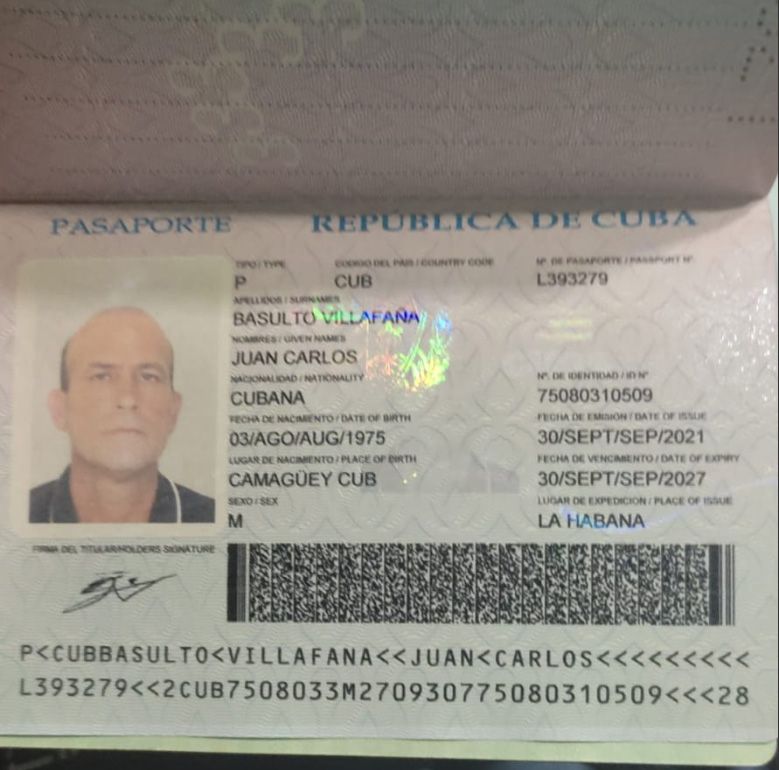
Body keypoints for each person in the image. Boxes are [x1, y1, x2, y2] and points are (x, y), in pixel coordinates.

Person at [29, 307, 214, 523]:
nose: (128, 399)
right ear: (60, 409)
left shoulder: (213, 518)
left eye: (149, 377)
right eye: (102, 376)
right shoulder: (20, 514)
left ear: (173, 411)